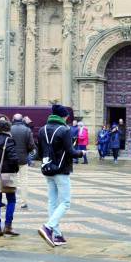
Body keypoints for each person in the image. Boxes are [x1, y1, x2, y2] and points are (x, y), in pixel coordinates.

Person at [37, 104, 85, 247]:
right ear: (63, 116)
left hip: (47, 169)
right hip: (61, 170)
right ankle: (48, 227)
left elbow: (40, 153)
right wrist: (81, 153)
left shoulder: (42, 130)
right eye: (66, 117)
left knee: (52, 202)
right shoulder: (65, 130)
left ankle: (57, 235)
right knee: (65, 202)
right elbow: (70, 152)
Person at [10, 113, 36, 209]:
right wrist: (26, 152)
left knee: (10, 180)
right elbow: (31, 145)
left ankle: (10, 200)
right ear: (22, 120)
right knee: (23, 180)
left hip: (11, 159)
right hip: (23, 158)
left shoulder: (9, 129)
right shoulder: (27, 130)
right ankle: (23, 202)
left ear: (13, 119)